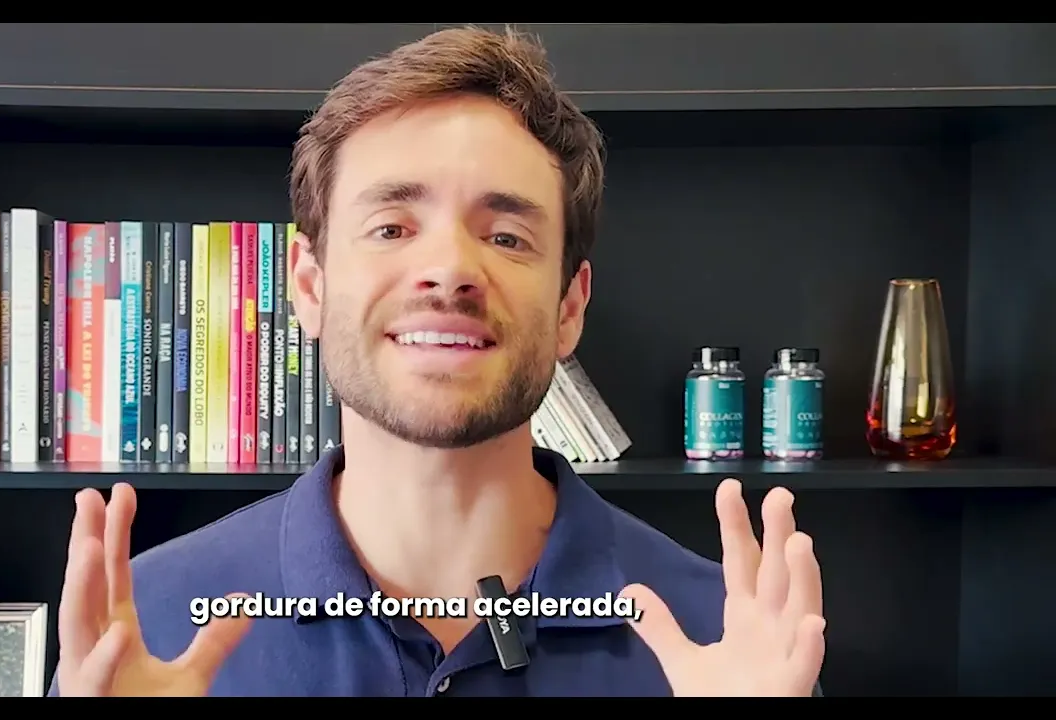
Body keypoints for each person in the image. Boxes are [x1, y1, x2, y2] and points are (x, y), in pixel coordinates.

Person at [51, 25, 825, 697]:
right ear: (309, 287)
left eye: (507, 237)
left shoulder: (729, 639)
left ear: (569, 308)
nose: (450, 268)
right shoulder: (145, 627)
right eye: (392, 228)